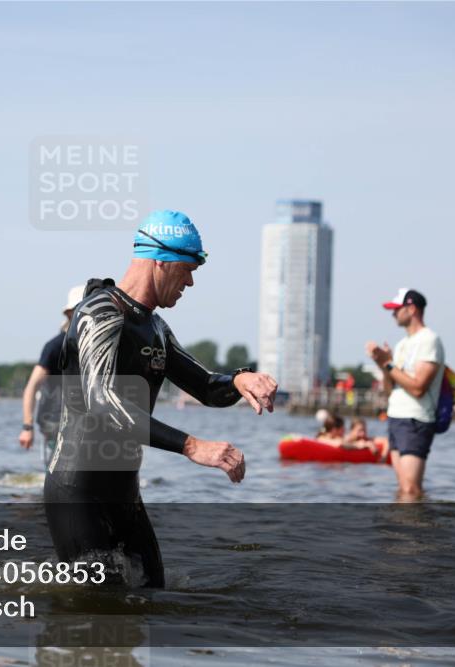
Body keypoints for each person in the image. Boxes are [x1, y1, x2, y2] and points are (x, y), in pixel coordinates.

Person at [45, 210, 279, 588]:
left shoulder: (155, 326)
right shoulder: (100, 313)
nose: (189, 281)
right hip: (78, 493)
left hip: (125, 495)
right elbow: (102, 405)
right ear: (159, 260)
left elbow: (204, 386)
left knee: (152, 598)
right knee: (99, 614)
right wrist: (190, 446)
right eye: (186, 269)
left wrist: (239, 380)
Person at [366, 289, 445, 501]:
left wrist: (387, 363)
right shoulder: (402, 344)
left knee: (410, 489)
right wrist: (382, 365)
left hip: (416, 419)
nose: (393, 315)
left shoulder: (429, 340)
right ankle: (403, 531)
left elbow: (418, 387)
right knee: (404, 488)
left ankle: (416, 532)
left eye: (396, 310)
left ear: (411, 309)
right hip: (396, 417)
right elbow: (390, 390)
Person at [18, 285, 86, 466]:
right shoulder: (55, 347)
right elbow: (32, 387)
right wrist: (27, 427)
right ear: (71, 314)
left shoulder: (93, 348)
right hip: (53, 418)